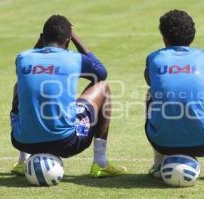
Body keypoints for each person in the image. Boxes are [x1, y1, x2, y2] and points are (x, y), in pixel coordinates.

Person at [10, 15, 126, 177]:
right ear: (68, 40)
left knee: (19, 85)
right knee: (103, 87)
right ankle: (100, 163)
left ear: (42, 38)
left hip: (23, 141)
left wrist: (42, 39)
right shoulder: (74, 59)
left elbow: (32, 55)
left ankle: (23, 161)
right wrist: (75, 37)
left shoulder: (23, 58)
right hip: (66, 142)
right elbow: (101, 73)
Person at [144, 10, 204, 180]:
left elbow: (149, 80)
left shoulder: (154, 58)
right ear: (192, 35)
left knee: (151, 94)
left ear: (164, 37)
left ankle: (158, 164)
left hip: (161, 143)